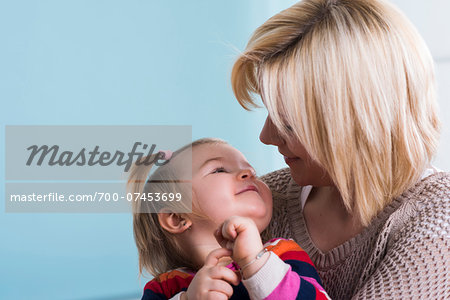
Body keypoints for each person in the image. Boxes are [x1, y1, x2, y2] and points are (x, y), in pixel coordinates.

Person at [230, 0, 450, 299]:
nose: (266, 136)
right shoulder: (268, 197)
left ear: (358, 122)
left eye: (288, 123)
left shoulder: (439, 218)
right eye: (269, 113)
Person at [128, 138, 331, 300]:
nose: (249, 173)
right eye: (219, 169)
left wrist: (256, 264)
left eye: (252, 171)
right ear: (176, 217)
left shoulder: (283, 255)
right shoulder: (166, 287)